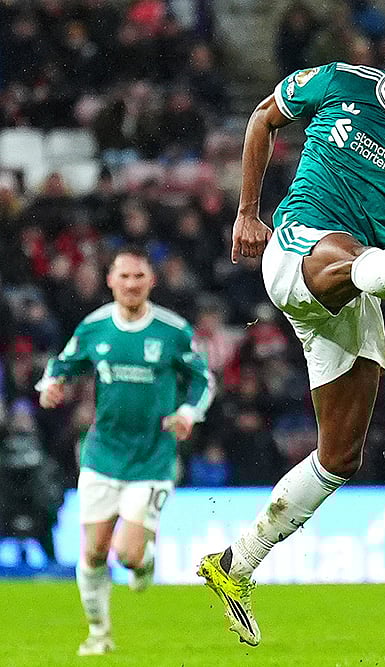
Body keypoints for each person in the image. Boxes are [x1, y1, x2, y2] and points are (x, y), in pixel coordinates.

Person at [195, 13, 385, 646]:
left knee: (340, 457)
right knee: (358, 260)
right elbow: (261, 119)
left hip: (355, 283)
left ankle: (237, 564)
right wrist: (247, 213)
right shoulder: (336, 82)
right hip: (299, 245)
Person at [35, 246, 214, 656]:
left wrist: (188, 412)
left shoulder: (172, 331)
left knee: (127, 555)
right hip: (102, 453)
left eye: (139, 277)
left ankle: (143, 559)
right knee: (95, 551)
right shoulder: (95, 328)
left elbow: (204, 379)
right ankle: (99, 633)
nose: (131, 284)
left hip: (153, 456)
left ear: (151, 281)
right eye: (124, 277)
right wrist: (50, 387)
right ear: (110, 281)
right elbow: (60, 365)